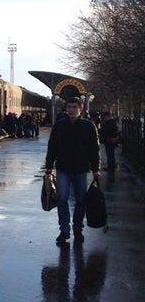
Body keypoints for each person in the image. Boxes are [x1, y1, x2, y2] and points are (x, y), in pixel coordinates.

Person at [45, 97, 101, 245]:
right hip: (63, 167)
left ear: (80, 108)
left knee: (80, 199)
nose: (71, 109)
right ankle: (64, 229)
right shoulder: (60, 126)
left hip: (81, 168)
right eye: (69, 107)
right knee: (62, 197)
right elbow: (52, 147)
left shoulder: (88, 126)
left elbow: (94, 149)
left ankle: (77, 228)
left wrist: (96, 168)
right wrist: (49, 166)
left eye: (74, 107)